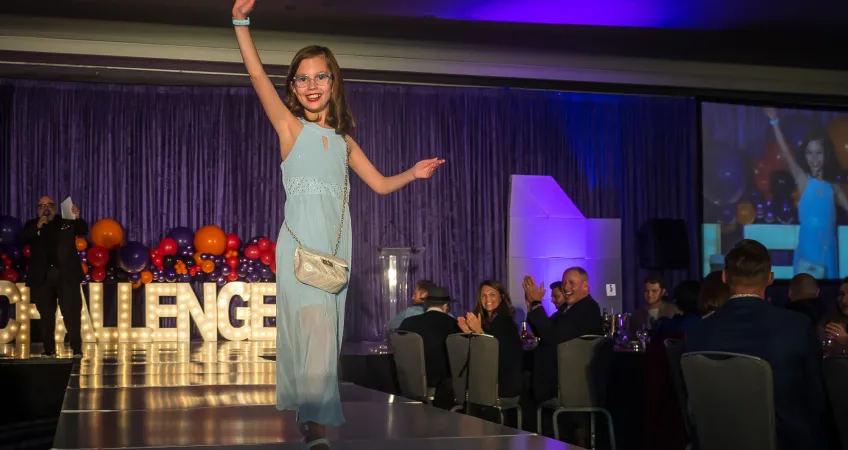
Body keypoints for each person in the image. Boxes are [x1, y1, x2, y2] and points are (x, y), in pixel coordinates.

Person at [231, 1, 445, 447]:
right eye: (303, 78)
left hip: (332, 258)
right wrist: (240, 22)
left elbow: (381, 185)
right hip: (299, 253)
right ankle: (315, 427)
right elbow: (255, 77)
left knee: (326, 341)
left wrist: (413, 173)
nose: (312, 85)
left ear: (334, 82)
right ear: (293, 86)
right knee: (314, 333)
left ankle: (312, 420)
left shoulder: (345, 143)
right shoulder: (289, 128)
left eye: (320, 76)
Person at [685, 239, 827, 450]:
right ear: (770, 278)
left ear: (724, 276)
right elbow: (817, 401)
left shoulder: (696, 332)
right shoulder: (797, 326)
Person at [765, 108, 846, 279]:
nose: (814, 158)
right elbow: (786, 153)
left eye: (819, 152)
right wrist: (774, 121)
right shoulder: (803, 180)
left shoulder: (833, 186)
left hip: (828, 250)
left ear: (826, 154)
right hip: (808, 250)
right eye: (810, 153)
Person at [18, 196, 87, 358]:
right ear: (37, 209)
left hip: (66, 275)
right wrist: (38, 226)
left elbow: (82, 229)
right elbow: (22, 238)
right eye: (42, 206)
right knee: (46, 315)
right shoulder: (32, 224)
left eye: (49, 205)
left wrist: (77, 217)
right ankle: (49, 350)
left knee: (71, 313)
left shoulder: (65, 220)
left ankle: (76, 349)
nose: (46, 208)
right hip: (43, 276)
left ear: (55, 207)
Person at [522, 267, 603, 403]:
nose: (566, 287)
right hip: (554, 374)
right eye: (564, 283)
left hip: (568, 381)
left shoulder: (587, 308)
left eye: (571, 283)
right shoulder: (566, 308)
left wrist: (536, 303)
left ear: (585, 285)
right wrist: (532, 305)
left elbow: (553, 336)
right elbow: (543, 331)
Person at [398, 286, 462, 409]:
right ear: (445, 306)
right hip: (441, 388)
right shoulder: (454, 325)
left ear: (427, 305)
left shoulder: (407, 323)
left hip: (410, 383)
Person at [458, 280, 523, 398]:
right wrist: (469, 333)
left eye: (492, 295)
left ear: (501, 297)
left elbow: (497, 356)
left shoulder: (505, 321)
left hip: (503, 382)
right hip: (485, 378)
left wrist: (478, 332)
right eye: (483, 295)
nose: (487, 299)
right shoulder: (484, 321)